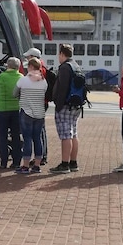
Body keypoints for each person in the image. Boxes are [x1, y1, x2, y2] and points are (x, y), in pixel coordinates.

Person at [49, 44, 82, 174]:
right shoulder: (76, 65)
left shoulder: (64, 67)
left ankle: (64, 164)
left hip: (66, 105)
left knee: (65, 135)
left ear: (62, 54)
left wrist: (58, 105)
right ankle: (73, 162)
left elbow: (62, 88)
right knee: (73, 133)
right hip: (76, 104)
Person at [13, 57, 49, 174]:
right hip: (39, 113)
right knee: (37, 138)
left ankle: (25, 166)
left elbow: (14, 93)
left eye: (28, 66)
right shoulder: (43, 81)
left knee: (27, 139)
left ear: (31, 67)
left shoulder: (23, 80)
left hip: (26, 112)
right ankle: (37, 165)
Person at [23, 47, 55, 165]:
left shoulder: (37, 70)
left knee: (38, 131)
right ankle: (42, 156)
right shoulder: (43, 67)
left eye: (28, 57)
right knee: (41, 130)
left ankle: (40, 157)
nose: (27, 59)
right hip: (43, 101)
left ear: (32, 57)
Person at [0, 56, 23, 169]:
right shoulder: (21, 77)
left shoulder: (2, 76)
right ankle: (16, 162)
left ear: (8, 66)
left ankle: (3, 162)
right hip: (16, 109)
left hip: (2, 109)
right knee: (16, 136)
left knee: (3, 136)